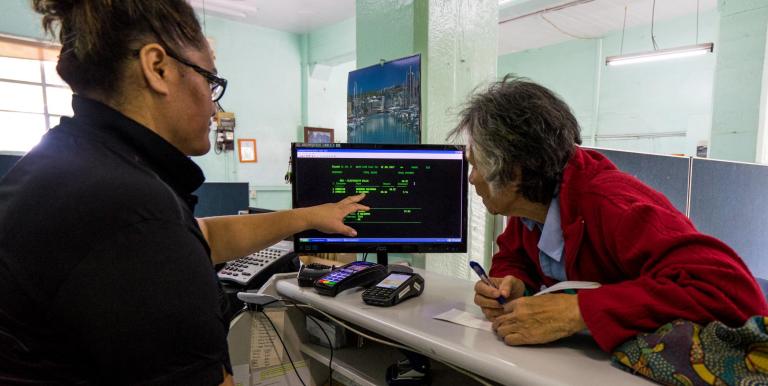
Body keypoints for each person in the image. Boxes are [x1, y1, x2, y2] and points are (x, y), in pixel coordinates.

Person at [0, 1, 367, 385]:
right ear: (157, 68)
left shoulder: (69, 163)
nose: (214, 105)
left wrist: (308, 216)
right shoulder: (133, 213)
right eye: (210, 80)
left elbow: (203, 235)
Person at [451, 75, 768, 353]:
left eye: (476, 164)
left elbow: (733, 293)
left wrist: (578, 311)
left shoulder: (613, 204)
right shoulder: (531, 208)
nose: (472, 177)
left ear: (514, 172)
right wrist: (513, 282)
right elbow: (515, 256)